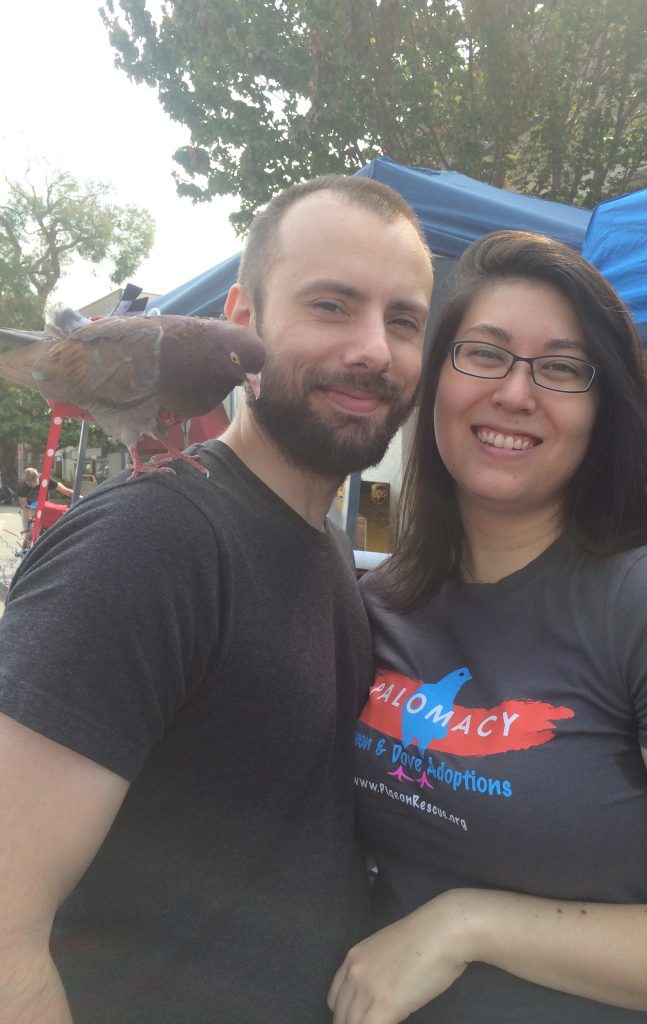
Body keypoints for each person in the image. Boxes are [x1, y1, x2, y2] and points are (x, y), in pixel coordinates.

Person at [0, 175, 433, 1024]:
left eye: (404, 320)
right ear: (242, 322)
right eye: (333, 305)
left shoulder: (326, 546)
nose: (375, 349)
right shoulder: (147, 545)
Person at [330, 230, 647, 1024]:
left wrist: (470, 924)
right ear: (437, 382)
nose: (515, 393)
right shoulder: (378, 602)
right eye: (485, 354)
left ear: (606, 411)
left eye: (562, 368)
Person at [17, 466, 75, 548]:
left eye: (35, 483)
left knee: (47, 533)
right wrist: (32, 523)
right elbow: (25, 506)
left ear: (38, 476)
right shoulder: (21, 485)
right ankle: (25, 551)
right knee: (30, 534)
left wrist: (82, 498)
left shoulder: (45, 480)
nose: (34, 486)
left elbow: (65, 491)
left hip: (43, 509)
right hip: (29, 510)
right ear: (25, 481)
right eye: (31, 485)